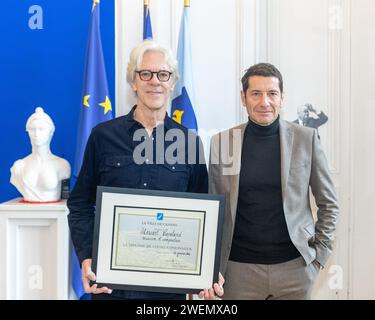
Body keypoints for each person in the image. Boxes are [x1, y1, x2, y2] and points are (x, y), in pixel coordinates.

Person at [67, 40, 223, 300]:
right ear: (134, 81)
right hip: (112, 285)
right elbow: (81, 202)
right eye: (146, 74)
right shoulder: (103, 137)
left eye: (163, 74)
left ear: (172, 83)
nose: (155, 81)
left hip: (168, 287)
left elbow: (202, 213)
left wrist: (206, 269)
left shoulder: (190, 142)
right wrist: (87, 256)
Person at [209, 63, 339, 300]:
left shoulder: (305, 139)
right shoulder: (224, 143)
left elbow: (329, 203)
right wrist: (211, 268)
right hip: (238, 272)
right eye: (256, 93)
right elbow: (215, 210)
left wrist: (318, 257)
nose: (264, 102)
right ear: (243, 97)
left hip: (295, 270)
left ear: (282, 98)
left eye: (272, 93)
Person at [10, 107, 71, 202]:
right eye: (32, 129)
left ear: (50, 133)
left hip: (53, 214)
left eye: (41, 129)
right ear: (28, 132)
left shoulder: (62, 165)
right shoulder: (19, 166)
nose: (36, 134)